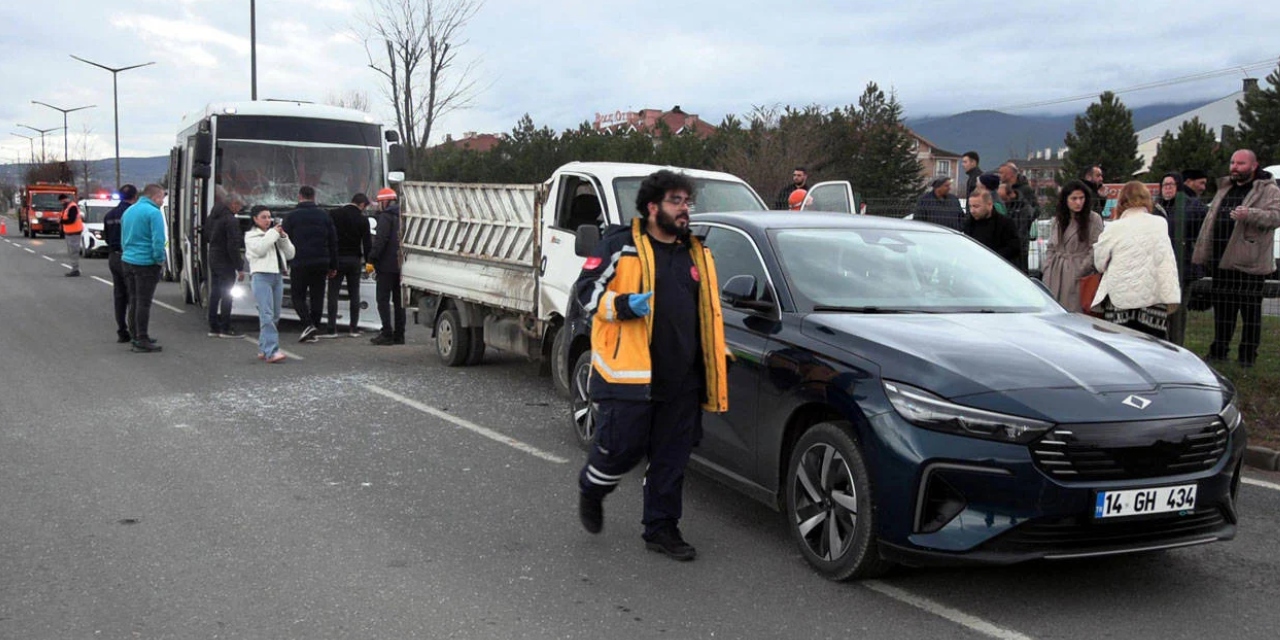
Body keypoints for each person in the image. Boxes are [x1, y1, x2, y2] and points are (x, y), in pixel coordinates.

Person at [575, 169, 728, 562]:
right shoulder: (620, 245)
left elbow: (705, 311)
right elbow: (586, 292)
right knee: (620, 452)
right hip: (629, 375)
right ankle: (593, 487)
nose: (684, 210)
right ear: (652, 207)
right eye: (676, 202)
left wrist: (715, 353)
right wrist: (623, 306)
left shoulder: (696, 251)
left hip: (683, 380)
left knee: (671, 459)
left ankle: (661, 529)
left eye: (686, 202)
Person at [1192, 150, 1280, 367]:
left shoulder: (1268, 189)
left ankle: (1247, 358)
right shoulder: (1226, 187)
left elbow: (1276, 216)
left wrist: (1249, 214)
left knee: (1250, 314)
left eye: (1240, 163)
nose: (1235, 167)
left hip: (1250, 263)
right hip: (1222, 262)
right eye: (1232, 162)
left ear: (1254, 165)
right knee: (1223, 312)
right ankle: (1218, 352)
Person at [1091, 181, 1181, 339]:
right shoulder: (1160, 224)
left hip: (1120, 298)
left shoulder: (1114, 227)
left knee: (1122, 348)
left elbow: (1099, 264)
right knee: (1153, 347)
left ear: (1121, 202)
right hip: (1154, 298)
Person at [1154, 172, 1209, 345]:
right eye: (1165, 185)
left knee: (1177, 311)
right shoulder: (1156, 207)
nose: (1168, 188)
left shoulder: (1192, 206)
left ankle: (1177, 345)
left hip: (1183, 267)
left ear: (1179, 186)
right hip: (1159, 266)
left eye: (1171, 184)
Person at [281, 185, 338, 343]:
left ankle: (307, 324)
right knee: (317, 296)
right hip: (321, 261)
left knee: (297, 295)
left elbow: (283, 241)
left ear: (299, 197)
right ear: (314, 197)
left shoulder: (291, 216)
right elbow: (333, 241)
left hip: (299, 261)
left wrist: (284, 263)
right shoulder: (324, 215)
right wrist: (333, 265)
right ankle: (314, 327)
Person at [1041, 180, 1104, 312]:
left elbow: (1095, 248)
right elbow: (1051, 246)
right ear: (1066, 200)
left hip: (1078, 272)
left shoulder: (1093, 219)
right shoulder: (1059, 219)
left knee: (1075, 311)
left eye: (1081, 198)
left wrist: (1081, 269)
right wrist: (1047, 267)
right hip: (1055, 272)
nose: (1078, 202)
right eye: (1074, 198)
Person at [120, 184, 168, 353]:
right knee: (144, 302)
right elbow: (158, 239)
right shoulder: (154, 213)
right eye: (162, 197)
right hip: (145, 262)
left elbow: (123, 236)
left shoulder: (129, 211)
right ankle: (142, 337)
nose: (162, 201)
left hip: (128, 260)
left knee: (133, 300)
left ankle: (134, 334)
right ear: (154, 197)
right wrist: (159, 259)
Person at [244, 206, 295, 363]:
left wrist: (284, 238)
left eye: (269, 217)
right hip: (261, 276)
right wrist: (273, 233)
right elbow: (260, 250)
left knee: (275, 315)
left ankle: (263, 347)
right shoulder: (251, 235)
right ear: (255, 219)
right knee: (266, 314)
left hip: (277, 275)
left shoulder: (273, 236)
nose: (268, 220)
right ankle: (271, 350)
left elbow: (290, 253)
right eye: (263, 217)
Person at [324, 193, 374, 338]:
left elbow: (328, 236)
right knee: (354, 294)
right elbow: (367, 244)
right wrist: (369, 261)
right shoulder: (363, 220)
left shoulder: (334, 214)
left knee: (333, 293)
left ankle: (331, 328)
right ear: (362, 204)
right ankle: (353, 328)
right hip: (354, 260)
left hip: (336, 258)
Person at [204, 189, 246, 338]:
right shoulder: (231, 220)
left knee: (215, 292)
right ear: (233, 204)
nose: (240, 209)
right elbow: (233, 245)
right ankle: (225, 327)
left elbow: (207, 236)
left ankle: (213, 326)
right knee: (227, 293)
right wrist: (240, 267)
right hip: (225, 260)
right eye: (240, 206)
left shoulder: (213, 217)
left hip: (213, 256)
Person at [369, 188, 405, 345]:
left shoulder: (386, 217)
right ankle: (400, 335)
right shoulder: (404, 216)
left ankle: (386, 333)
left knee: (382, 300)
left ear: (385, 202)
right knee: (399, 302)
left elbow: (381, 240)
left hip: (386, 266)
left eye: (379, 202)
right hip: (402, 265)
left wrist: (372, 259)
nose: (378, 206)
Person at [102, 184, 138, 343]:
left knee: (119, 295)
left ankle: (121, 331)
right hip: (128, 257)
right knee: (134, 295)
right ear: (135, 197)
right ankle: (136, 331)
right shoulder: (132, 214)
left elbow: (107, 238)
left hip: (113, 257)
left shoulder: (109, 215)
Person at [964, 190, 1021, 265]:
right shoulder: (969, 224)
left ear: (989, 205)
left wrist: (991, 257)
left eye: (976, 206)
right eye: (970, 206)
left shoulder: (1005, 223)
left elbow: (1014, 248)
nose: (972, 211)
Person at [58, 194, 83, 276]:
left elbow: (71, 220)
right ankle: (75, 268)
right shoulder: (67, 207)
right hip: (70, 232)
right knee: (71, 252)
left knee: (74, 252)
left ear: (64, 200)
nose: (61, 203)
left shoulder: (72, 207)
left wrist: (61, 221)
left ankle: (75, 270)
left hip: (74, 232)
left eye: (61, 201)